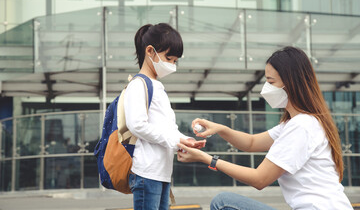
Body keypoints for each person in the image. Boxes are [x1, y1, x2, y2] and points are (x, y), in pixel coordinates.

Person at [177, 46, 353, 210]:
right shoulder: (297, 123)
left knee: (223, 203)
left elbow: (259, 179)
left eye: (271, 81)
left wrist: (207, 159)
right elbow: (252, 143)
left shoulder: (302, 126)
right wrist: (220, 129)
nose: (266, 88)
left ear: (291, 83)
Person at [124, 23, 206, 210]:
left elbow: (167, 127)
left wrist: (186, 141)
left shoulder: (156, 86)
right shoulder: (138, 84)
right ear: (150, 51)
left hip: (160, 172)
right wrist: (175, 141)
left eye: (175, 61)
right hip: (147, 172)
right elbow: (137, 125)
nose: (172, 65)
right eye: (169, 58)